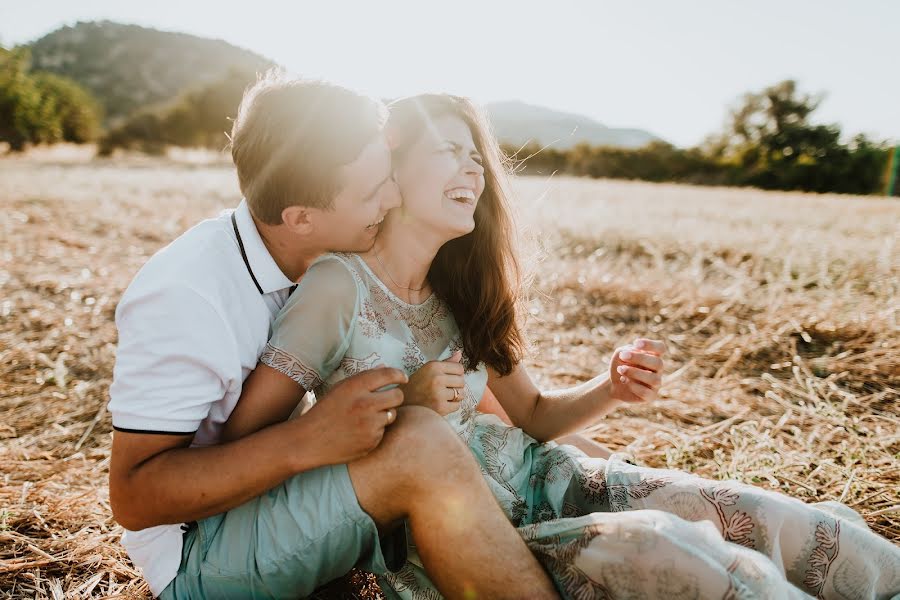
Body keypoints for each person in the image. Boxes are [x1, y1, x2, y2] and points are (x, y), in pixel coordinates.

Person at [223, 93, 900, 599]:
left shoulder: (463, 287)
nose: (473, 170)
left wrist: (610, 387)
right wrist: (402, 409)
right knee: (668, 551)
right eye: (447, 153)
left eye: (474, 156)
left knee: (750, 513)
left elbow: (537, 416)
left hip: (554, 480)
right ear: (390, 174)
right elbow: (249, 445)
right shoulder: (337, 286)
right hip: (470, 536)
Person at [106, 72, 562, 599]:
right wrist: (307, 439)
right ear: (301, 218)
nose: (393, 197)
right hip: (198, 552)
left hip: (278, 496)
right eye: (374, 191)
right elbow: (134, 498)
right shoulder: (188, 297)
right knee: (418, 445)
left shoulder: (325, 263)